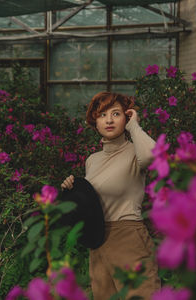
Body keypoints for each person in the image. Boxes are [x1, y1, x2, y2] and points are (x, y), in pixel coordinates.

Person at [61, 92, 161, 300]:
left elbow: (154, 155)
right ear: (94, 122)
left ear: (126, 117)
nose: (108, 120)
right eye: (102, 114)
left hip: (128, 238)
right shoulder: (92, 160)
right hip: (97, 241)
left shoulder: (135, 152)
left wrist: (135, 126)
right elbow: (91, 201)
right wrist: (72, 189)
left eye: (116, 114)